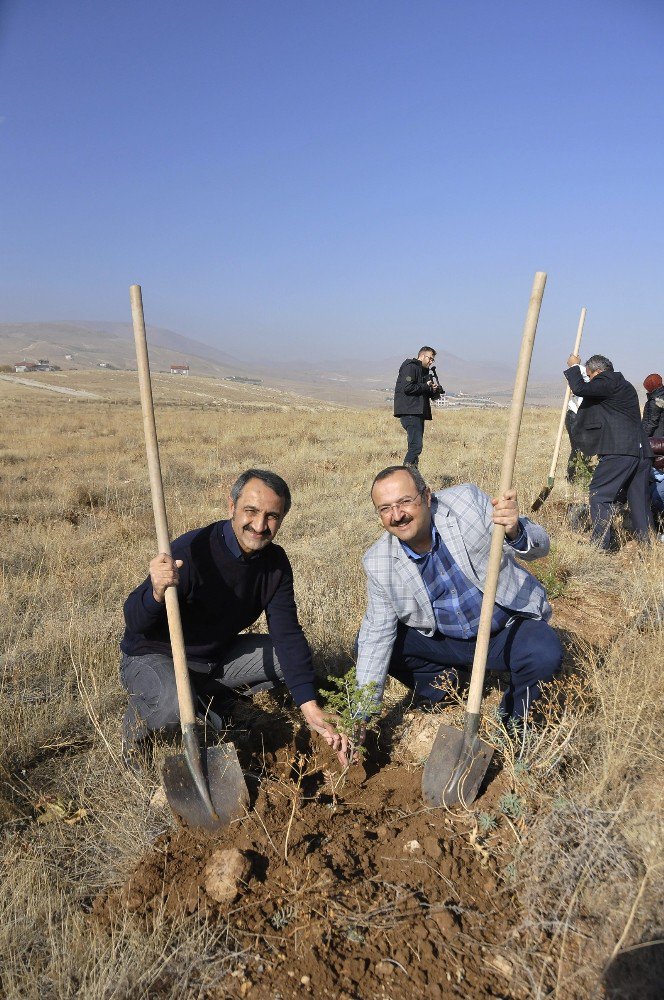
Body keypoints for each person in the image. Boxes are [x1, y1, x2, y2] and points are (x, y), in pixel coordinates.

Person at [120, 468, 347, 763]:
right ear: (232, 507)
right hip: (152, 656)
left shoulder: (275, 564)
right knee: (172, 702)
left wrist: (309, 705)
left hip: (214, 659)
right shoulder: (190, 552)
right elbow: (135, 622)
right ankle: (134, 741)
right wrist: (156, 592)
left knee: (287, 656)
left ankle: (208, 699)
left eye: (272, 516)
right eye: (250, 511)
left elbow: (287, 634)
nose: (260, 525)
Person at [355, 465, 563, 725]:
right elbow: (377, 635)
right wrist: (361, 715)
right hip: (447, 641)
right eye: (385, 508)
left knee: (543, 652)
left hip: (504, 629)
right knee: (371, 641)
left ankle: (514, 724)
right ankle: (446, 687)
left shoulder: (467, 503)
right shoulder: (378, 561)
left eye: (405, 502)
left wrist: (515, 531)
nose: (397, 515)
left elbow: (540, 547)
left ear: (427, 496)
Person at [564, 354, 654, 550]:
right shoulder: (624, 384)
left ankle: (600, 545)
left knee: (600, 495)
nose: (590, 379)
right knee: (638, 501)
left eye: (590, 375)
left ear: (598, 371)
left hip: (620, 450)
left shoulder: (608, 380)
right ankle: (648, 546)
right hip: (640, 452)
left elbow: (581, 388)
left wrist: (574, 367)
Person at [393, 347, 444, 467]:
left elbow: (421, 390)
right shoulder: (410, 367)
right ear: (422, 356)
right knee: (416, 447)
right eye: (430, 358)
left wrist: (433, 390)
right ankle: (406, 472)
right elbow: (408, 387)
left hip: (417, 412)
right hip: (410, 412)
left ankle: (413, 475)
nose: (431, 361)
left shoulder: (422, 371)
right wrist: (426, 386)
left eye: (433, 360)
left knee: (414, 447)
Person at [642, 373, 664, 438]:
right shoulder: (661, 397)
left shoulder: (655, 400)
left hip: (656, 438)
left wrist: (642, 437)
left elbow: (651, 422)